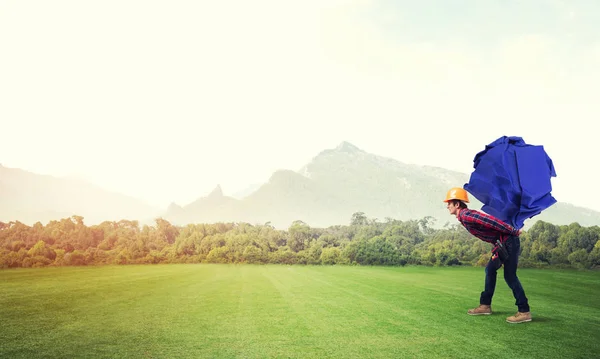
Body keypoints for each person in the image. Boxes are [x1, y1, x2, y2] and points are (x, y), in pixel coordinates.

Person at [444, 187, 532, 324]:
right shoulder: (463, 217)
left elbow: (490, 221)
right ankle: (485, 306)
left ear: (457, 204)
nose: (447, 205)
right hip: (502, 243)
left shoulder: (466, 215)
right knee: (490, 270)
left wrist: (512, 231)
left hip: (509, 241)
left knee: (510, 276)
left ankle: (524, 311)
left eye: (449, 203)